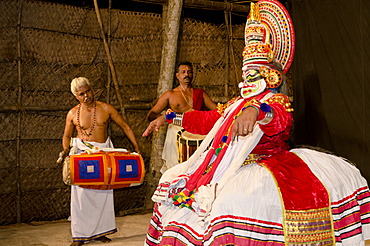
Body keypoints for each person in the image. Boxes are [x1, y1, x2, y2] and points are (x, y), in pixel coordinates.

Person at [145, 1, 370, 245]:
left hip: (263, 167)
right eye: (244, 74)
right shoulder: (235, 104)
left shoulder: (277, 101)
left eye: (252, 73)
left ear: (270, 75)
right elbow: (205, 120)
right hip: (225, 166)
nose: (246, 79)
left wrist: (256, 109)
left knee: (230, 204)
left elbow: (276, 120)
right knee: (172, 178)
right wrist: (167, 118)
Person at [59, 77, 141, 246]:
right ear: (76, 96)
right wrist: (66, 149)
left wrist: (137, 148)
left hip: (104, 154)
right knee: (80, 196)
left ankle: (101, 232)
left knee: (103, 194)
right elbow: (67, 135)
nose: (86, 96)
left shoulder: (105, 108)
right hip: (82, 156)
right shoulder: (73, 113)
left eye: (88, 91)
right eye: (81, 94)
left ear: (92, 89)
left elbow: (125, 126)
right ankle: (79, 235)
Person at [142, 62, 217, 172]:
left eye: (189, 72)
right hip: (176, 134)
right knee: (176, 168)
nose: (187, 74)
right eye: (183, 72)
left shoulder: (200, 94)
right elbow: (151, 114)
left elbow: (216, 111)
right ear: (177, 75)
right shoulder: (170, 94)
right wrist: (165, 117)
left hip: (197, 133)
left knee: (198, 168)